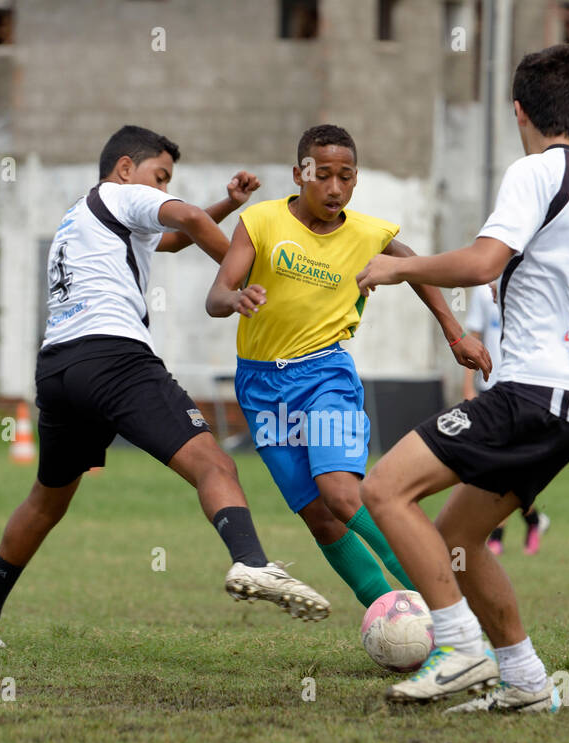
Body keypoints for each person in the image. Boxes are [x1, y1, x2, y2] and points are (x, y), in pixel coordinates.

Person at [0, 125, 330, 648]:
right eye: (162, 177)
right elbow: (189, 219)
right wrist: (246, 273)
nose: (164, 188)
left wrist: (227, 202)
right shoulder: (121, 193)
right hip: (115, 357)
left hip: (59, 368)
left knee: (46, 501)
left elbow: (172, 239)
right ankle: (252, 562)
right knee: (214, 464)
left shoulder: (81, 214)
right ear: (126, 168)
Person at [356, 44, 569, 712]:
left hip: (531, 391)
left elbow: (483, 262)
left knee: (385, 488)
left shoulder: (534, 172)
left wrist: (400, 268)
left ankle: (458, 649)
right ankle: (527, 679)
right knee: (456, 538)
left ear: (518, 110)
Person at [206, 124, 488, 610]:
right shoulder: (260, 223)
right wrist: (234, 297)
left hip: (324, 375)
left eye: (346, 176)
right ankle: (395, 619)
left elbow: (415, 267)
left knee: (340, 493)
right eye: (323, 175)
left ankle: (448, 607)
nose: (335, 188)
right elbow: (214, 296)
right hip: (260, 386)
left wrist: (454, 331)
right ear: (300, 174)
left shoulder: (367, 234)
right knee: (321, 517)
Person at [461, 283, 550, 556]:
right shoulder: (482, 291)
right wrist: (468, 386)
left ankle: (499, 534)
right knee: (498, 465)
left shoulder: (532, 281)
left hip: (524, 388)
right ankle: (533, 520)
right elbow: (473, 338)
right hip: (491, 389)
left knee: (505, 466)